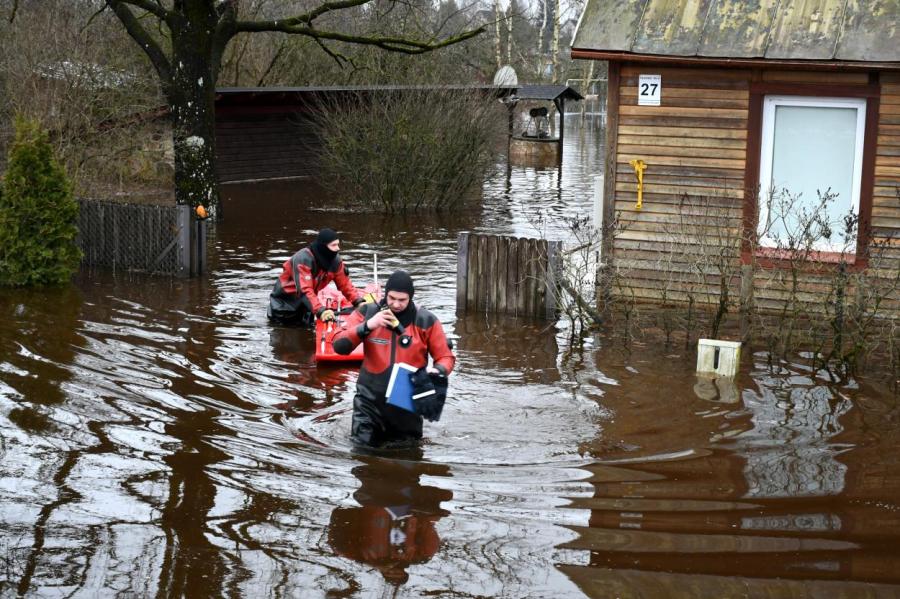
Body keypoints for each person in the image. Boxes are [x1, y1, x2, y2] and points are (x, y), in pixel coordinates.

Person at [333, 270, 455, 447]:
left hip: (407, 403)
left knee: (406, 460)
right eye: (391, 298)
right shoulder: (367, 312)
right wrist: (368, 326)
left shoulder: (426, 320)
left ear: (410, 298)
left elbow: (445, 357)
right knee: (362, 454)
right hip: (368, 402)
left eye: (402, 300)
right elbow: (338, 345)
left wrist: (437, 371)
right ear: (385, 294)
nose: (396, 304)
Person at [267, 228, 364, 326]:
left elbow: (345, 284)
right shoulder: (303, 259)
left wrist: (358, 302)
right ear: (323, 246)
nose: (338, 248)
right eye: (334, 245)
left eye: (338, 244)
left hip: (305, 307)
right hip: (284, 307)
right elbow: (304, 290)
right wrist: (321, 311)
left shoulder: (336, 261)